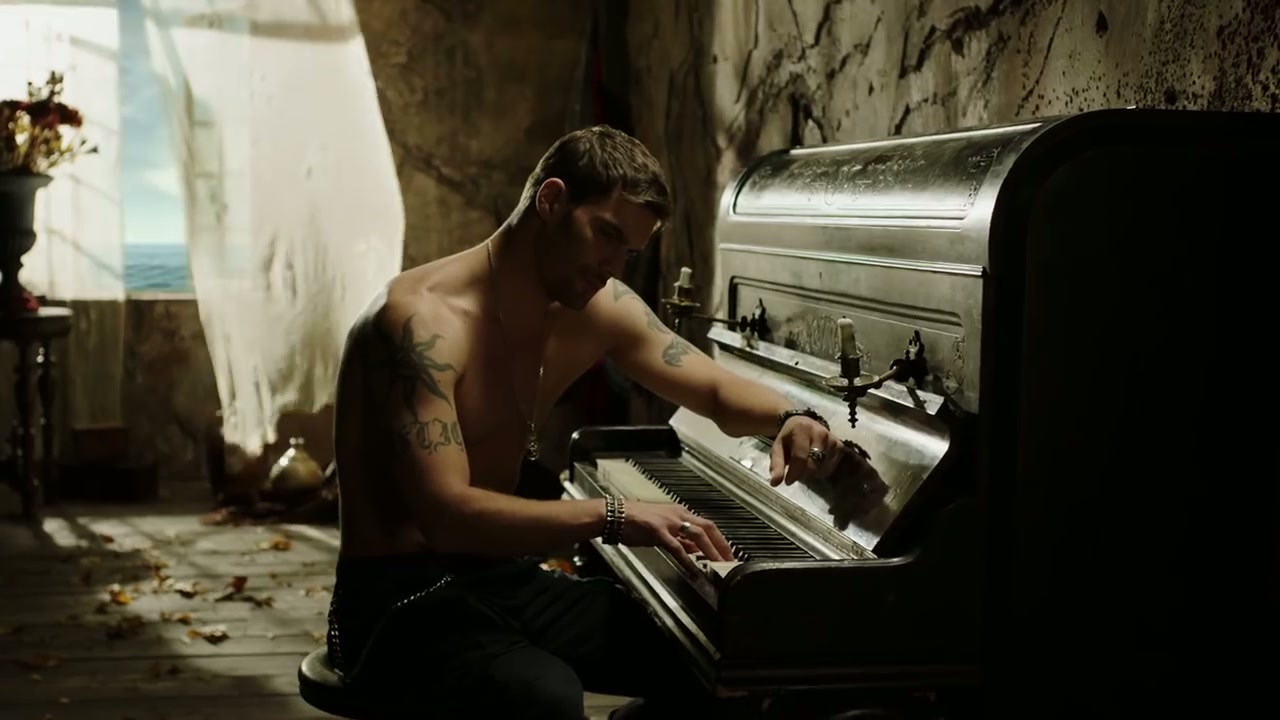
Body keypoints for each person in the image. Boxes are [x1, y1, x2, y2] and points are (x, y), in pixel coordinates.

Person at [326, 125, 863, 719]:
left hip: (496, 577)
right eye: (606, 234)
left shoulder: (595, 307)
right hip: (396, 600)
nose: (611, 267)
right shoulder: (417, 322)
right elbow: (447, 517)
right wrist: (617, 515)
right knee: (545, 694)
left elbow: (712, 389)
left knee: (716, 651)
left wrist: (791, 416)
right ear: (551, 200)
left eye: (627, 253)